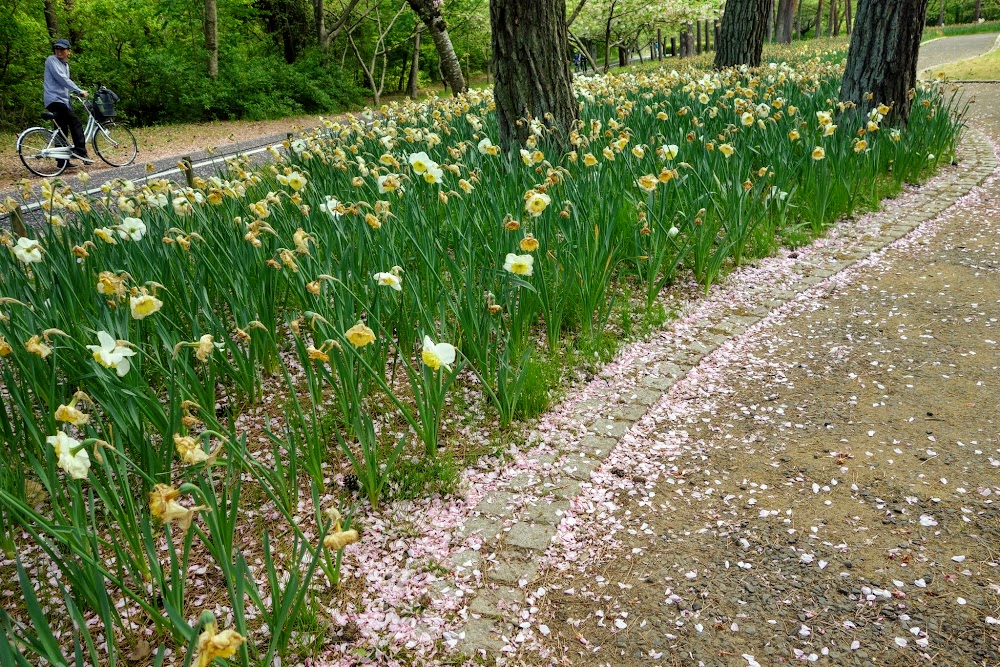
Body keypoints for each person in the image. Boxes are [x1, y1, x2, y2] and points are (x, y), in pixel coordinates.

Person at [44, 39, 93, 164]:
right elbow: (62, 79)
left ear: (69, 51)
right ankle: (80, 151)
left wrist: (69, 95)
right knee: (75, 122)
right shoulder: (52, 60)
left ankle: (62, 161)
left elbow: (61, 85)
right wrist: (78, 90)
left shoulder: (65, 65)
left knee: (62, 128)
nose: (59, 51)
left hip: (61, 100)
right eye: (57, 49)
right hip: (54, 100)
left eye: (62, 49)